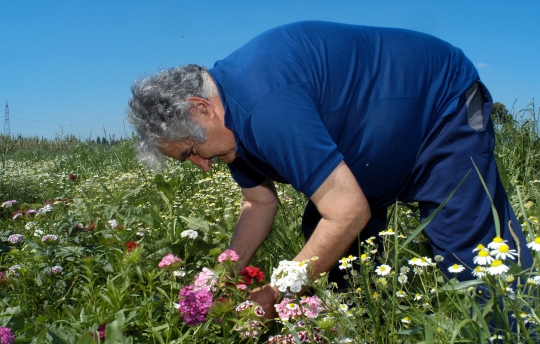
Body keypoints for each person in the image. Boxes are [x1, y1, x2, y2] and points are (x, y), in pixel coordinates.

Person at [127, 21, 533, 317]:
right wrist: (220, 276)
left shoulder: (264, 108)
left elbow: (348, 211)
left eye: (191, 151)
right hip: (376, 135)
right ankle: (367, 327)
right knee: (332, 246)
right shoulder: (228, 128)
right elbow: (258, 203)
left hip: (439, 107)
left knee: (476, 258)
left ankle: (518, 339)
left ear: (202, 109)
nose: (201, 166)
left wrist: (278, 292)